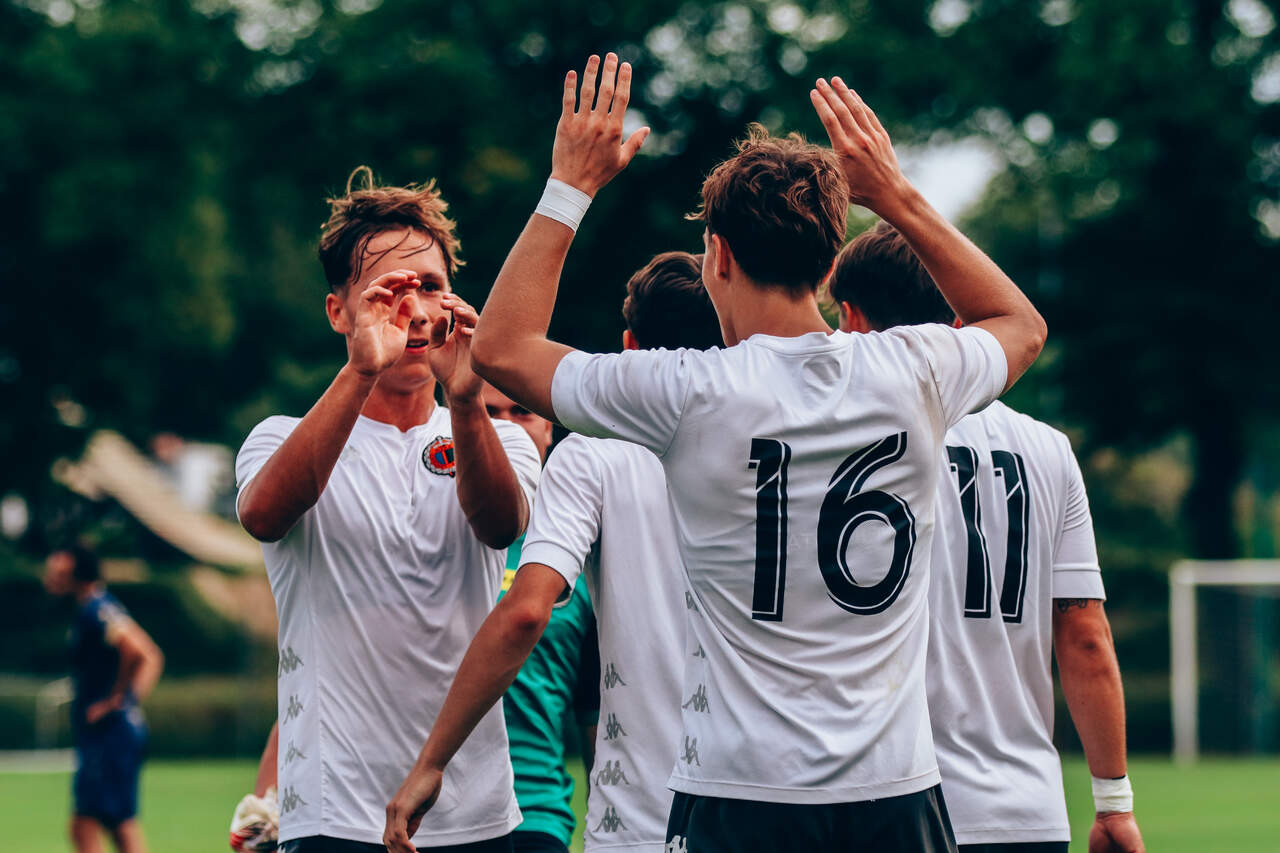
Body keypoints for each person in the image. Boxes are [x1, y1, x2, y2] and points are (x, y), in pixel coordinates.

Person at [386, 54, 1045, 852]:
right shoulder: (914, 369)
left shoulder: (688, 391)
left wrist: (572, 184)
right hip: (896, 791)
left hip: (741, 790)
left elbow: (500, 345)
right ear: (829, 266)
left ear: (720, 256)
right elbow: (1020, 324)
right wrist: (894, 195)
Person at [235, 167, 540, 852]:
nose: (414, 309)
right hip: (334, 812)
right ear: (338, 312)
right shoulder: (278, 436)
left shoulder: (502, 436)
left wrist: (466, 401)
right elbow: (264, 515)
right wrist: (361, 369)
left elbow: (500, 525)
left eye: (429, 286)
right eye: (390, 291)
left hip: (477, 809)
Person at [384, 251, 722, 853]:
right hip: (769, 798)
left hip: (641, 818)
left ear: (628, 346)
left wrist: (431, 761)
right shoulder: (782, 441)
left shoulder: (593, 455)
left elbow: (525, 613)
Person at [830, 223, 1145, 853]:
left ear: (851, 317)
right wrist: (1113, 803)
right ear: (958, 314)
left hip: (881, 802)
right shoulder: (1047, 448)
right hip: (1022, 809)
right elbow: (1085, 635)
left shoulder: (835, 429)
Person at [483, 381, 600, 853]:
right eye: (490, 412)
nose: (506, 426)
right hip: (421, 814)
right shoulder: (425, 534)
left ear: (549, 428)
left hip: (534, 812)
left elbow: (597, 709)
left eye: (522, 412)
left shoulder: (587, 551)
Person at [44, 544, 164, 853]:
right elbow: (149, 656)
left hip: (109, 735)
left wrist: (117, 701)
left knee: (86, 825)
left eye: (58, 573)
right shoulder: (98, 607)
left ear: (77, 575)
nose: (50, 579)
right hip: (111, 735)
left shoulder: (96, 609)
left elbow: (142, 653)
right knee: (118, 823)